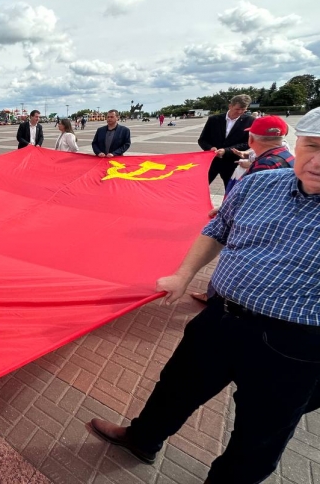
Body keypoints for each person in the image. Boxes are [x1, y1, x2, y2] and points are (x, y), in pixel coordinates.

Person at [87, 107, 320, 484]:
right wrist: (183, 275)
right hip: (221, 317)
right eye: (313, 146)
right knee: (175, 386)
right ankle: (142, 439)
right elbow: (218, 229)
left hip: (293, 342)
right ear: (298, 143)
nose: (317, 162)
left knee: (261, 431)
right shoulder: (261, 183)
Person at [191, 115, 294, 303]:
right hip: (277, 225)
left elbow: (252, 202)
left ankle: (215, 296)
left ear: (251, 139)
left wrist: (226, 211)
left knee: (231, 259)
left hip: (254, 228)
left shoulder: (265, 166)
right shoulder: (287, 156)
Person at [197, 95, 255, 187]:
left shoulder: (250, 121)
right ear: (230, 106)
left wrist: (226, 151)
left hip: (232, 163)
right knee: (200, 187)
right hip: (212, 161)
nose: (240, 112)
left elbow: (248, 143)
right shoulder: (214, 119)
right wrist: (210, 148)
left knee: (231, 191)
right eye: (237, 109)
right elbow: (202, 140)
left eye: (243, 109)